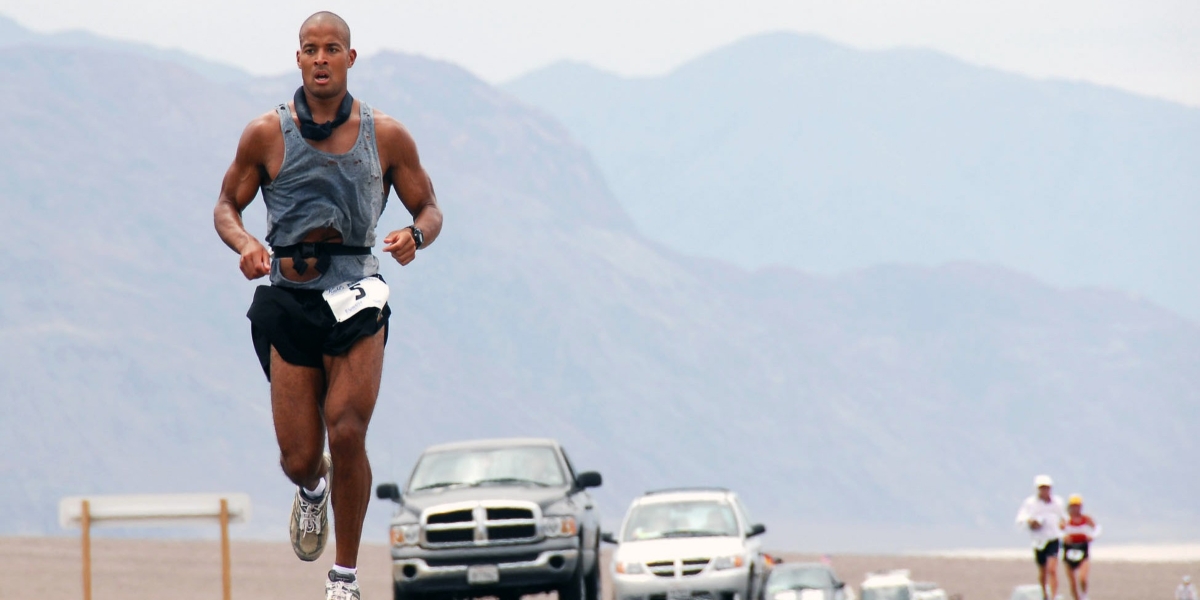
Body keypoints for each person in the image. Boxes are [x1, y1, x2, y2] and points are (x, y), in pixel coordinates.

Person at [213, 11, 442, 599]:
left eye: (332, 48)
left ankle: (344, 577)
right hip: (289, 296)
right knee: (298, 456)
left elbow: (430, 209)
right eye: (310, 49)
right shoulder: (266, 133)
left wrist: (413, 237)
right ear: (298, 59)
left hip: (357, 292)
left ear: (350, 58)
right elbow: (225, 206)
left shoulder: (385, 135)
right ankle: (311, 491)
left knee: (346, 428)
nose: (321, 58)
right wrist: (245, 246)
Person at [1015, 474, 1068, 600]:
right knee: (1043, 571)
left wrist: (1062, 524)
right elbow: (1021, 519)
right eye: (1042, 488)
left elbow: (1064, 518)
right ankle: (1045, 593)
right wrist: (1031, 522)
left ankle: (1053, 596)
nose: (1045, 491)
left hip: (1053, 538)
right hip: (1038, 541)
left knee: (1052, 569)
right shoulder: (1030, 503)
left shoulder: (1057, 502)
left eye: (1047, 488)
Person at [1060, 494, 1101, 600]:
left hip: (1082, 550)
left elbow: (1097, 528)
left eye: (1077, 506)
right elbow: (1057, 531)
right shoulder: (1066, 520)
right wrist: (1063, 537)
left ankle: (1084, 596)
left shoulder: (1086, 519)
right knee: (1072, 583)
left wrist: (1092, 536)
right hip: (1069, 550)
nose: (1075, 508)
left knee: (1082, 578)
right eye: (1073, 506)